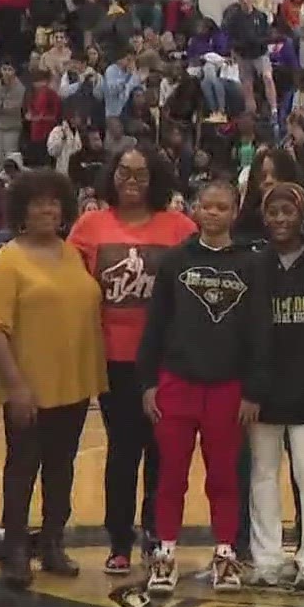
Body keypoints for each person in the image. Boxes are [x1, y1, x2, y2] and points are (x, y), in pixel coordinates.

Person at [0, 171, 107, 587]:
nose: (47, 210)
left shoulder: (72, 254)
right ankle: (15, 551)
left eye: (53, 203)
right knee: (21, 470)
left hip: (74, 383)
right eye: (37, 203)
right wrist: (15, 386)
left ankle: (52, 543)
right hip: (29, 387)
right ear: (21, 211)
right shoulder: (6, 262)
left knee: (61, 469)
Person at [68, 146, 196, 575]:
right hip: (114, 360)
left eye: (141, 174)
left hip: (166, 359)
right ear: (112, 175)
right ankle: (119, 540)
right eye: (124, 171)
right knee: (123, 450)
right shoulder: (90, 226)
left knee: (164, 449)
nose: (132, 180)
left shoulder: (180, 227)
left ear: (155, 178)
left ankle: (158, 533)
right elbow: (67, 285)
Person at [138, 180, 268, 594]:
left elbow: (259, 332)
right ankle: (165, 553)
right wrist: (147, 383)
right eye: (206, 206)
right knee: (171, 475)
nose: (213, 213)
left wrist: (253, 389)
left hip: (229, 387)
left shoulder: (252, 264)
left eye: (222, 207)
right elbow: (156, 324)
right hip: (177, 381)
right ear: (195, 210)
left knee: (224, 476)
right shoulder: (176, 260)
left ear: (234, 212)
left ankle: (226, 555)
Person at [246, 182, 304, 589]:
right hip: (262, 392)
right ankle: (267, 557)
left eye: (288, 211)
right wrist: (250, 387)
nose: (281, 219)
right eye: (274, 212)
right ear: (264, 217)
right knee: (263, 474)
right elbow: (244, 334)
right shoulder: (256, 265)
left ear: (302, 216)